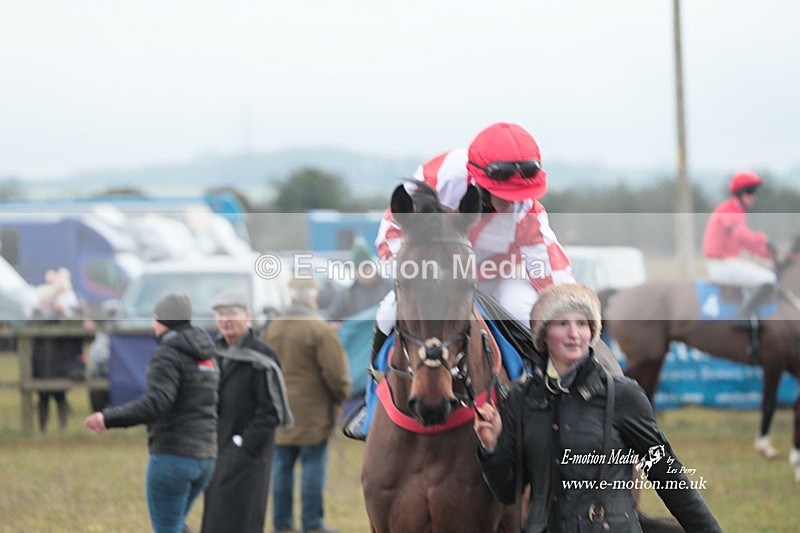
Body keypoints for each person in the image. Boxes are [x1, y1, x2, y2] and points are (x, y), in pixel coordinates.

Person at [473, 284, 722, 532]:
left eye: (582, 324)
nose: (574, 333)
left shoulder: (623, 395)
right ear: (544, 333)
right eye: (562, 324)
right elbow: (507, 491)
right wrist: (491, 446)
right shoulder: (521, 399)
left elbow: (667, 475)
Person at [373, 122, 575, 357]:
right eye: (505, 193)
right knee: (387, 314)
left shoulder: (527, 208)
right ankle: (374, 384)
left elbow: (548, 265)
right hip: (436, 273)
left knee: (525, 313)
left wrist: (569, 309)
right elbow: (390, 232)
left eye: (520, 194)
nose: (513, 202)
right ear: (479, 178)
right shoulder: (441, 175)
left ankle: (545, 387)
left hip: (500, 277)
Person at [84, 293, 219, 533]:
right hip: (206, 457)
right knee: (177, 525)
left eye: (154, 319)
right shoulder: (208, 356)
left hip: (173, 456)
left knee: (167, 528)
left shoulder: (167, 354)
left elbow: (157, 403)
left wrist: (107, 417)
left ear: (162, 322)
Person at [262, 278, 351, 533]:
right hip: (313, 413)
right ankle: (312, 523)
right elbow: (336, 375)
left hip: (278, 409)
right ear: (313, 296)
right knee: (312, 467)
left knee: (281, 468)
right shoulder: (319, 328)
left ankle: (282, 523)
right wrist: (341, 395)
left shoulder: (273, 327)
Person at [201, 289, 292, 533]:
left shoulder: (261, 355)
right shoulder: (214, 350)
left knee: (242, 520)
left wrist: (243, 445)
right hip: (216, 446)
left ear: (248, 315)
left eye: (232, 313)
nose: (226, 320)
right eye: (220, 314)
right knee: (215, 518)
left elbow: (270, 410)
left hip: (248, 455)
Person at [702, 170, 776, 320]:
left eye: (755, 192)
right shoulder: (729, 210)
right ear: (739, 193)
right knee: (769, 278)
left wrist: (767, 252)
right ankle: (743, 316)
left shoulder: (737, 211)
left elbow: (745, 243)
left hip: (727, 263)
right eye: (749, 191)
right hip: (721, 265)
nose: (753, 196)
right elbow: (742, 235)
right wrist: (763, 241)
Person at [32, 267, 83, 433]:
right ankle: (42, 428)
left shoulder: (65, 314)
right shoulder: (37, 315)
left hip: (60, 363)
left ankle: (63, 428)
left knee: (60, 397)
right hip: (42, 363)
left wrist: (64, 312)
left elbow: (77, 330)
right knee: (43, 398)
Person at [324, 240, 393, 324]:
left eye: (364, 269)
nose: (361, 273)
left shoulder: (389, 288)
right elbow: (329, 317)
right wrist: (335, 324)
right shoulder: (347, 295)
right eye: (358, 270)